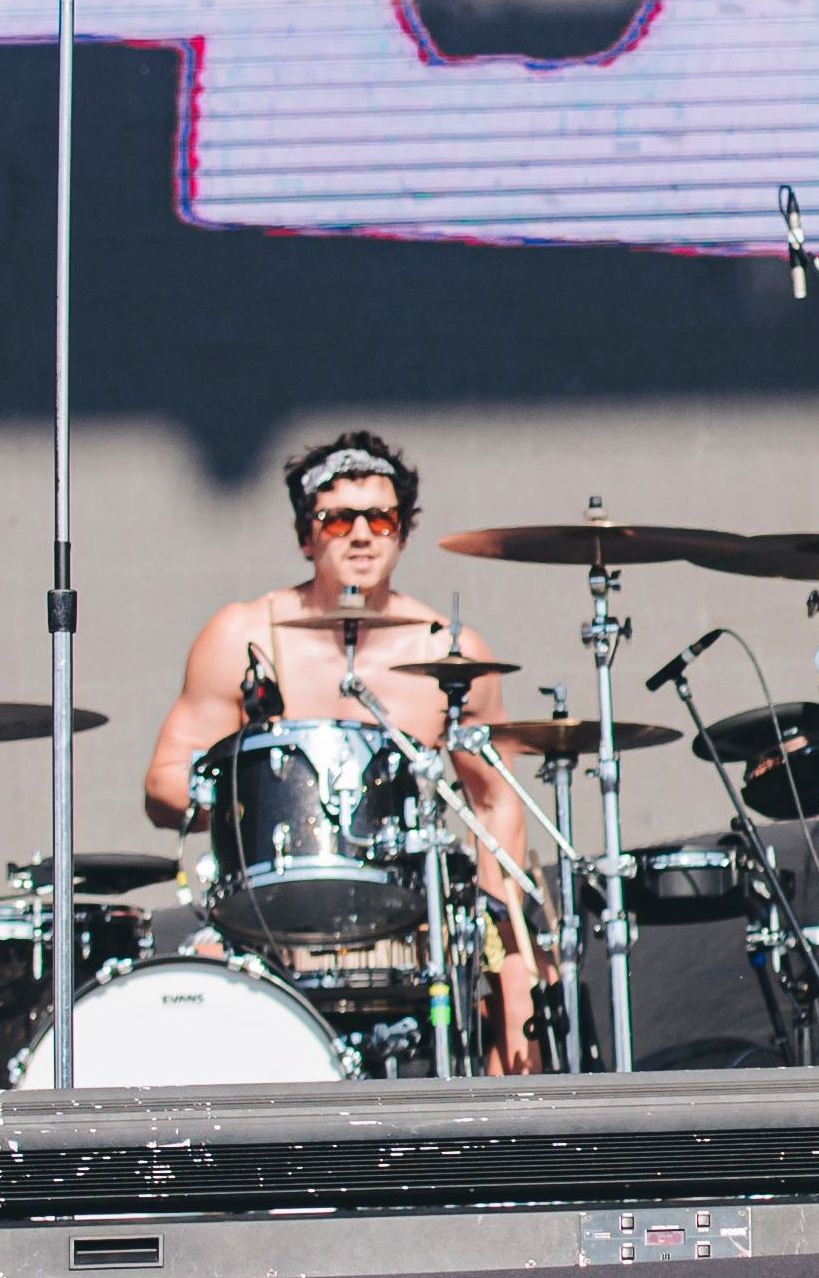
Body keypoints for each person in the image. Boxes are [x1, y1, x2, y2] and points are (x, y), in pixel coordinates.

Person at [142, 430, 540, 1072]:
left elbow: (495, 799)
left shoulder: (450, 652)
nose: (362, 534)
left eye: (381, 519)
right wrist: (231, 795)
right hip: (268, 916)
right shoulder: (246, 634)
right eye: (339, 520)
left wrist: (502, 931)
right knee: (192, 990)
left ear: (402, 534)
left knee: (522, 983)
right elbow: (162, 782)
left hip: (409, 915)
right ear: (307, 536)